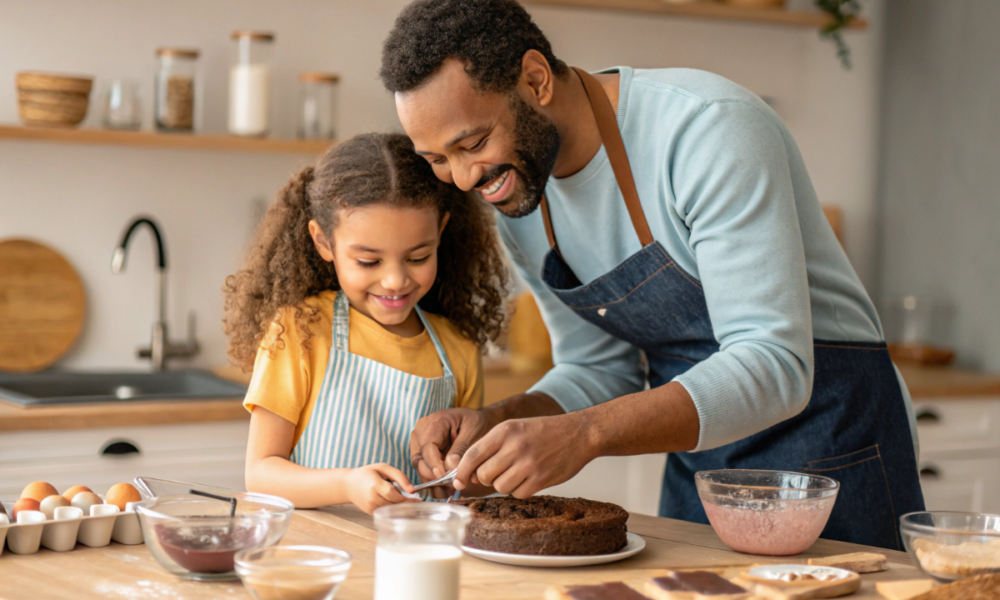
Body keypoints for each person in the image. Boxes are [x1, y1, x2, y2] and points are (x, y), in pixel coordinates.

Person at [380, 0, 924, 548]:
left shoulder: (706, 129)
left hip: (829, 443)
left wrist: (585, 434)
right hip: (704, 463)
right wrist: (498, 422)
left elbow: (775, 364)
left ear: (536, 79)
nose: (464, 178)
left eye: (473, 143)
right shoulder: (519, 201)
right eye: (438, 160)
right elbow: (599, 370)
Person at [223, 133, 508, 514]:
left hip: (413, 549)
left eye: (418, 257)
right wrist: (346, 484)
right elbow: (260, 473)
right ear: (324, 242)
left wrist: (461, 477)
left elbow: (465, 482)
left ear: (440, 233)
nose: (395, 281)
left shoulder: (459, 350)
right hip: (316, 549)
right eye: (369, 262)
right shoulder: (301, 331)